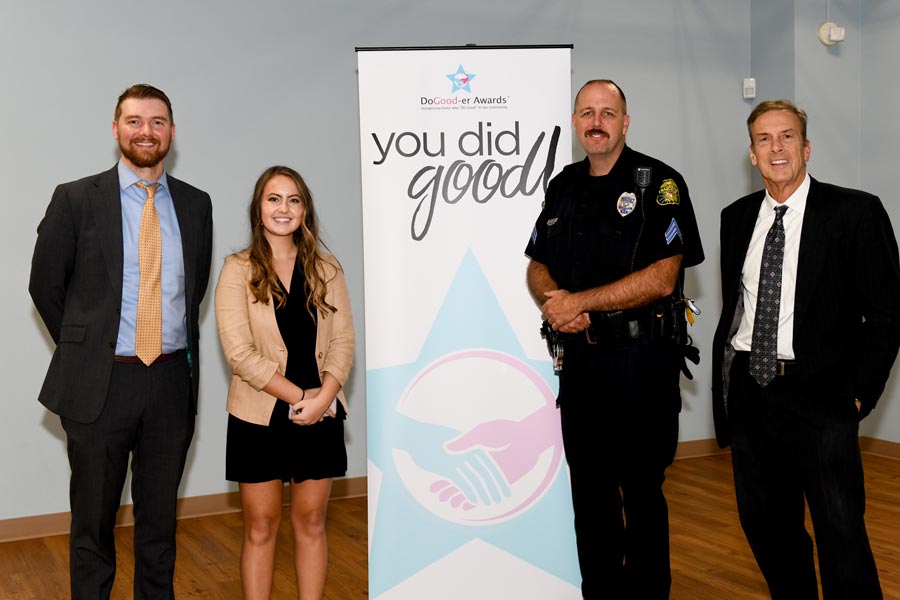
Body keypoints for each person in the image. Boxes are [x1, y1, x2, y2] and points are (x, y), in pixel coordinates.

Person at [29, 84, 213, 599]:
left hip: (171, 383)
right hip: (101, 384)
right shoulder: (75, 199)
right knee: (94, 525)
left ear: (172, 133)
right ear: (115, 130)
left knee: (160, 525)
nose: (145, 132)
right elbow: (45, 286)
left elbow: (191, 291)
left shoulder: (196, 204)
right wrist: (86, 347)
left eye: (157, 122)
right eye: (134, 121)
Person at [712, 100, 900, 599]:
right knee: (766, 528)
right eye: (765, 139)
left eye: (787, 136)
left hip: (822, 398)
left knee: (840, 533)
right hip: (752, 393)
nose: (776, 147)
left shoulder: (855, 212)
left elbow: (886, 316)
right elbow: (737, 308)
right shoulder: (735, 219)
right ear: (751, 154)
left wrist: (858, 396)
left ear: (806, 147)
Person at [524, 79, 704, 599]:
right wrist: (554, 300)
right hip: (580, 364)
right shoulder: (564, 185)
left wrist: (578, 302)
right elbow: (538, 263)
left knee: (642, 495)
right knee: (591, 496)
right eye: (586, 112)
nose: (596, 121)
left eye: (607, 112)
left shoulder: (660, 184)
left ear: (626, 122)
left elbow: (663, 278)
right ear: (576, 122)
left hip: (640, 363)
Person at [214, 165, 355, 600]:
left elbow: (344, 342)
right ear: (259, 209)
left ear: (305, 210)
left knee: (312, 524)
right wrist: (301, 399)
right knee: (260, 528)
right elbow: (239, 355)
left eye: (294, 200)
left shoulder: (327, 268)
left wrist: (323, 399)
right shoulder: (237, 270)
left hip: (322, 412)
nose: (284, 208)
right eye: (274, 199)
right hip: (258, 417)